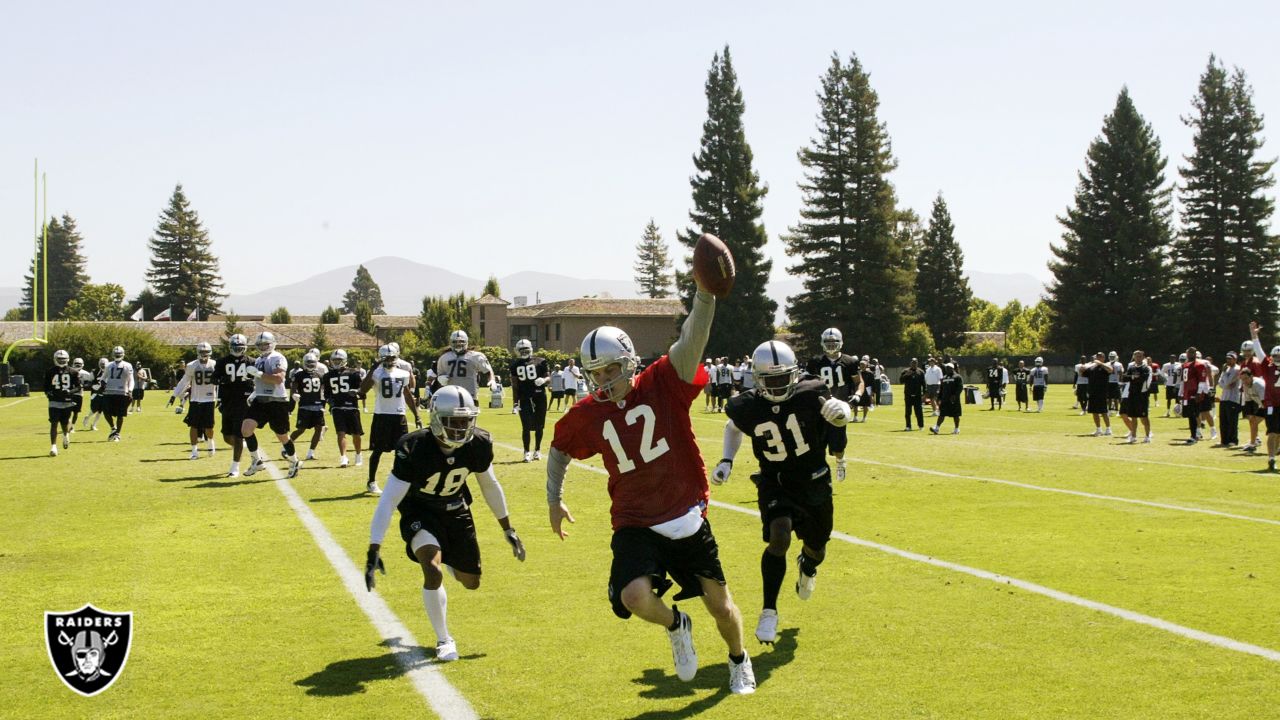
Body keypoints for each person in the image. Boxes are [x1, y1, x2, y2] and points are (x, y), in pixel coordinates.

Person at [545, 285, 757, 694]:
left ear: (628, 363)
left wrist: (706, 296)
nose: (604, 382)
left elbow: (693, 338)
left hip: (685, 513)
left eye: (610, 370)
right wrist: (554, 500)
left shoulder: (663, 380)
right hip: (635, 520)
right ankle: (677, 625)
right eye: (596, 374)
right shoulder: (588, 413)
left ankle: (738, 659)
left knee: (722, 607)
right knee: (633, 596)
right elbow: (558, 451)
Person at [363, 384, 525, 662]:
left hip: (456, 510)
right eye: (454, 422)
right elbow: (389, 500)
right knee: (432, 568)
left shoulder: (478, 444)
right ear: (437, 419)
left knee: (471, 582)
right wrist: (374, 548)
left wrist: (508, 529)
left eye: (466, 421)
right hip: (419, 511)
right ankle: (444, 639)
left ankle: (450, 561)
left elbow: (489, 486)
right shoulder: (413, 447)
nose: (462, 428)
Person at [712, 339, 851, 645]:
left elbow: (836, 415)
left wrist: (841, 410)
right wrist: (726, 459)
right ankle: (769, 610)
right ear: (757, 379)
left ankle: (808, 566)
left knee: (817, 548)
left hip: (813, 481)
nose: (776, 387)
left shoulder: (811, 392)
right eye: (769, 380)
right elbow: (734, 427)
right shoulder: (747, 404)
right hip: (775, 481)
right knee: (779, 535)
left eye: (782, 378)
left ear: (794, 374)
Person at [360, 344, 421, 495]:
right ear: (380, 359)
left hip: (399, 415)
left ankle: (401, 480)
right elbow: (363, 389)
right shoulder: (376, 373)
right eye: (386, 358)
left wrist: (417, 415)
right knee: (378, 450)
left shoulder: (403, 373)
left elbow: (407, 395)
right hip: (382, 415)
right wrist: (372, 369)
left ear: (396, 357)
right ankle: (371, 481)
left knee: (403, 450)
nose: (389, 360)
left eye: (392, 357)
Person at [241, 332, 303, 479]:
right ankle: (256, 460)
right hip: (261, 399)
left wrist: (258, 374)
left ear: (272, 344)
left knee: (282, 436)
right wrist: (254, 393)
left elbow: (278, 379)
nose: (263, 347)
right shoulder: (258, 360)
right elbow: (260, 380)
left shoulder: (277, 357)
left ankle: (294, 461)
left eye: (265, 344)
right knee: (246, 429)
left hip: (277, 401)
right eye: (260, 345)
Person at [806, 328, 862, 481]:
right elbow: (806, 383)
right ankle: (821, 473)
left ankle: (840, 462)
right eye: (828, 343)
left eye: (834, 342)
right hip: (820, 408)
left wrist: (857, 395)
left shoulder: (849, 361)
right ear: (822, 343)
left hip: (839, 409)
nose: (831, 346)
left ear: (840, 342)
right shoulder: (815, 362)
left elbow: (859, 382)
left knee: (838, 446)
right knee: (817, 445)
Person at [213, 334, 254, 477]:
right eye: (235, 347)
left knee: (238, 435)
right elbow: (214, 379)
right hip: (227, 401)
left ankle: (234, 467)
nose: (237, 349)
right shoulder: (222, 362)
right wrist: (222, 379)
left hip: (243, 402)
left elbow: (259, 378)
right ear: (230, 347)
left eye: (240, 347)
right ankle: (241, 446)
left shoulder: (251, 362)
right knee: (226, 436)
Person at [169, 342, 218, 460]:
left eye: (206, 352)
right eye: (202, 352)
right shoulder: (191, 365)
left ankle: (210, 442)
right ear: (198, 353)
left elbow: (220, 382)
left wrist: (220, 397)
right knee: (193, 426)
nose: (204, 354)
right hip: (195, 399)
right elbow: (184, 381)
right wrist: (174, 395)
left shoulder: (215, 364)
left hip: (209, 399)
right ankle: (194, 451)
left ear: (210, 352)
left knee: (209, 427)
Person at [509, 338, 550, 461]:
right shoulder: (515, 365)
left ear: (531, 349)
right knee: (525, 427)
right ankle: (526, 451)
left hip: (539, 397)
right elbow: (515, 386)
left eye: (526, 349)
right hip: (524, 398)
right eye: (521, 350)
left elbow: (548, 377)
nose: (524, 352)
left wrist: (544, 380)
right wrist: (515, 403)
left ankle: (537, 450)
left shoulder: (541, 361)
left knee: (539, 426)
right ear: (517, 351)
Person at [1246, 322, 1280, 469]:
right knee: (1272, 432)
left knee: (1276, 434)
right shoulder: (1268, 366)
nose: (1277, 358)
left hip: (1274, 404)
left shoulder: (1269, 366)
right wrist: (1254, 335)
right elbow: (1259, 350)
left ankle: (1274, 454)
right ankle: (1271, 458)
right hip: (1272, 405)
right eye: (1276, 356)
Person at [324, 349, 365, 468]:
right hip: (337, 407)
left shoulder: (353, 373)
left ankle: (358, 455)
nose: (336, 362)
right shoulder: (328, 376)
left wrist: (357, 392)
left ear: (345, 360)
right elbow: (327, 393)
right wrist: (330, 403)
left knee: (356, 434)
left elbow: (363, 392)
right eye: (335, 360)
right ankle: (343, 457)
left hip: (352, 407)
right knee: (340, 433)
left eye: (339, 360)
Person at [435, 330, 498, 405]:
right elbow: (440, 375)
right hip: (451, 394)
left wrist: (492, 380)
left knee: (470, 415)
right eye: (455, 341)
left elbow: (488, 371)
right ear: (451, 342)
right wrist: (440, 378)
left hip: (470, 393)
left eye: (461, 341)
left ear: (466, 341)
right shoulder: (444, 357)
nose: (458, 344)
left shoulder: (476, 356)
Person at [289, 352, 327, 461]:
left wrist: (324, 400)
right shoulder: (299, 375)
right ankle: (286, 446)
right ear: (304, 363)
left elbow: (323, 390)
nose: (310, 365)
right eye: (308, 363)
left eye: (312, 363)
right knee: (301, 430)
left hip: (317, 406)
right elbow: (293, 387)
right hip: (305, 405)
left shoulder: (319, 375)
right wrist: (294, 394)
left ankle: (310, 453)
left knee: (318, 430)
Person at [44, 349, 80, 456]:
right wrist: (49, 394)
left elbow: (78, 387)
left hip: (67, 401)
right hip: (54, 401)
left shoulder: (73, 372)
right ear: (55, 359)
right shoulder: (50, 371)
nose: (61, 361)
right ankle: (53, 447)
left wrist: (70, 391)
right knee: (54, 423)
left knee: (64, 423)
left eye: (63, 359)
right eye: (59, 359)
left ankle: (66, 435)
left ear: (67, 359)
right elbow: (45, 386)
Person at [101, 346, 134, 442]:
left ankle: (117, 434)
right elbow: (103, 378)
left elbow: (131, 379)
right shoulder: (109, 365)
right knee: (106, 412)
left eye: (119, 354)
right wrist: (102, 384)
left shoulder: (127, 365)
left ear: (123, 354)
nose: (117, 355)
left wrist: (130, 390)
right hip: (109, 391)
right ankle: (113, 428)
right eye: (116, 354)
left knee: (120, 414)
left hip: (122, 392)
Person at [1180, 346, 1213, 446]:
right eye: (1189, 353)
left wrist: (1199, 393)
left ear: (1195, 354)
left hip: (1194, 393)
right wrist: (1180, 393)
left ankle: (1194, 436)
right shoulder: (1185, 365)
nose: (1190, 354)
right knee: (1190, 415)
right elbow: (1183, 381)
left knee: (1194, 414)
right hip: (1187, 393)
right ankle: (1193, 435)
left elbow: (1202, 380)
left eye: (1192, 353)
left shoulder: (1199, 365)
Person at [1118, 350, 1152, 443]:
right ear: (1134, 357)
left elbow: (1142, 379)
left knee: (1144, 416)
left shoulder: (1146, 368)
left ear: (1143, 357)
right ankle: (1133, 436)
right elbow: (1125, 378)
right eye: (1136, 356)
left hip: (1142, 395)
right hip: (1132, 394)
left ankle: (1147, 436)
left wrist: (1132, 377)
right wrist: (1133, 377)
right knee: (1133, 416)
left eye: (1140, 356)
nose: (1138, 358)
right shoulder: (1131, 367)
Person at [1082, 353, 1113, 436]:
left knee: (1103, 411)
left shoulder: (1106, 365)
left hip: (1102, 392)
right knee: (1094, 411)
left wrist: (1101, 364)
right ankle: (1098, 429)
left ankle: (1108, 429)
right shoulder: (1092, 367)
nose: (1098, 358)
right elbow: (1083, 374)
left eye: (1100, 357)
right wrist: (1083, 367)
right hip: (1092, 392)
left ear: (1103, 358)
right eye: (1097, 357)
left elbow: (1110, 370)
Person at [1217, 351, 1241, 448]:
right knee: (1223, 420)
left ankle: (1233, 440)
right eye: (1227, 358)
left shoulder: (1236, 369)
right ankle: (1224, 440)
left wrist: (1224, 379)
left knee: (1232, 421)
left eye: (1230, 359)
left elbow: (1226, 383)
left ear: (1235, 359)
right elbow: (1220, 384)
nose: (1228, 360)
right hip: (1224, 398)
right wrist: (1223, 374)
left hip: (1233, 398)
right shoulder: (1226, 369)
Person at [930, 363, 963, 434]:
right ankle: (936, 428)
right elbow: (941, 389)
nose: (947, 369)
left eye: (948, 368)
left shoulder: (957, 377)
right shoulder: (944, 377)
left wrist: (955, 395)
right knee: (942, 414)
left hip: (954, 400)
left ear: (952, 368)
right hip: (945, 399)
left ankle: (956, 429)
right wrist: (939, 398)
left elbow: (960, 388)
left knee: (955, 415)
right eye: (946, 368)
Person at [1239, 365, 1265, 452]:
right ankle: (1253, 444)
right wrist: (1250, 415)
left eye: (1246, 378)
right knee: (1253, 421)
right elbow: (1248, 401)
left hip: (1272, 405)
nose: (1244, 381)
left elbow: (1265, 400)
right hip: (1263, 405)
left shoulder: (1258, 384)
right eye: (1242, 379)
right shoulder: (1245, 385)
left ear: (1251, 376)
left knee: (1274, 427)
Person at [899, 358, 926, 430]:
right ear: (910, 363)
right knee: (908, 412)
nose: (914, 364)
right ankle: (908, 426)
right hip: (908, 394)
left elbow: (924, 384)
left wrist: (924, 394)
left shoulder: (921, 372)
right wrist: (906, 375)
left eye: (915, 363)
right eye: (913, 363)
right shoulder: (905, 371)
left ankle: (921, 426)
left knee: (919, 411)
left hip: (917, 394)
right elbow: (901, 381)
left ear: (917, 363)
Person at [67, 357, 92, 431]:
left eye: (79, 364)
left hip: (79, 394)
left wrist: (83, 385)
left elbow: (89, 382)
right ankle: (69, 424)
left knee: (75, 412)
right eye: (76, 364)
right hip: (70, 393)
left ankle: (72, 426)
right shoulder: (69, 371)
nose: (77, 366)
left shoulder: (85, 373)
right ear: (73, 364)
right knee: (68, 410)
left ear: (82, 365)